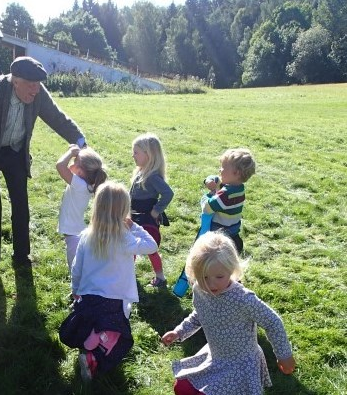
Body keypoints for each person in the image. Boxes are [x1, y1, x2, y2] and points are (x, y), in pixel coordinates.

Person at [0, 56, 87, 274]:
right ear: (15, 81)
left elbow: (58, 118)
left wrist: (82, 143)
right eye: (31, 85)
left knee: (21, 206)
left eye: (38, 85)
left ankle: (21, 256)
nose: (36, 90)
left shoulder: (38, 94)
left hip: (15, 153)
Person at [162, 232, 296, 395]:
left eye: (219, 276)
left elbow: (272, 322)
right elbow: (200, 315)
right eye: (204, 276)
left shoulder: (243, 299)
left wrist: (284, 355)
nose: (211, 284)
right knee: (181, 387)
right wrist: (179, 332)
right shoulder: (200, 289)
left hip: (241, 364)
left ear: (232, 269)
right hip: (216, 356)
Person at [59, 181, 158, 381]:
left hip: (88, 296)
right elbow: (152, 245)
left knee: (92, 322)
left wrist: (75, 289)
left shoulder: (87, 236)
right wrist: (135, 227)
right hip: (115, 299)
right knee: (118, 335)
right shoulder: (125, 238)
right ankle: (93, 354)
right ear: (124, 211)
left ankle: (89, 343)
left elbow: (77, 266)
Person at [130, 133, 174, 287]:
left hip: (147, 218)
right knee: (131, 245)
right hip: (135, 217)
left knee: (151, 248)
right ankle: (128, 273)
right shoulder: (141, 172)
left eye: (136, 152)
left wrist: (156, 210)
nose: (132, 155)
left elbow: (168, 193)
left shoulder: (153, 176)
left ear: (149, 155)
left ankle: (160, 278)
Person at [56, 144, 107, 271]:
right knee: (80, 266)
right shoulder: (88, 184)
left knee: (75, 268)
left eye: (74, 161)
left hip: (73, 235)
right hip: (76, 231)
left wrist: (70, 152)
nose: (71, 163)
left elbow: (60, 166)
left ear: (79, 171)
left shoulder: (79, 185)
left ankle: (78, 290)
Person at [202, 148, 256, 254]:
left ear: (236, 173)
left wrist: (209, 195)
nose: (220, 170)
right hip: (233, 234)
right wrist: (209, 181)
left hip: (218, 239)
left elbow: (207, 208)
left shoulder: (225, 195)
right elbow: (219, 182)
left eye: (223, 167)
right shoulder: (239, 189)